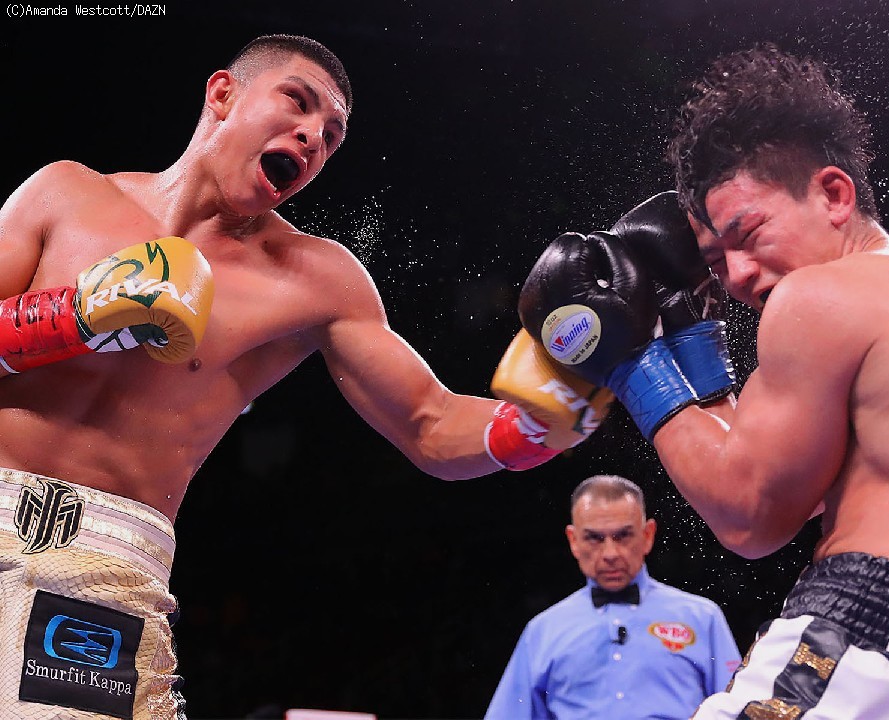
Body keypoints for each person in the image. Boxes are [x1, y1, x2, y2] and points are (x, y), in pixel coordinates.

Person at [0, 34, 613, 719]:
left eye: (332, 135)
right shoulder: (65, 193)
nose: (314, 135)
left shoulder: (314, 280)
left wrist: (535, 424)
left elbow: (430, 424)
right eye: (298, 101)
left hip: (102, 561)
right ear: (223, 94)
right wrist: (72, 316)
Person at [518, 44, 889, 718]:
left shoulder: (821, 295)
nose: (738, 275)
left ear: (833, 194)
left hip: (858, 644)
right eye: (717, 259)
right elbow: (786, 484)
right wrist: (693, 343)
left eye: (747, 234)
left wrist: (632, 363)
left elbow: (750, 515)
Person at [485, 474, 741, 720]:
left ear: (647, 535)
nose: (610, 553)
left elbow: (737, 710)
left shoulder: (702, 618)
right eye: (594, 538)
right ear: (574, 541)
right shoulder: (542, 631)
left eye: (623, 536)